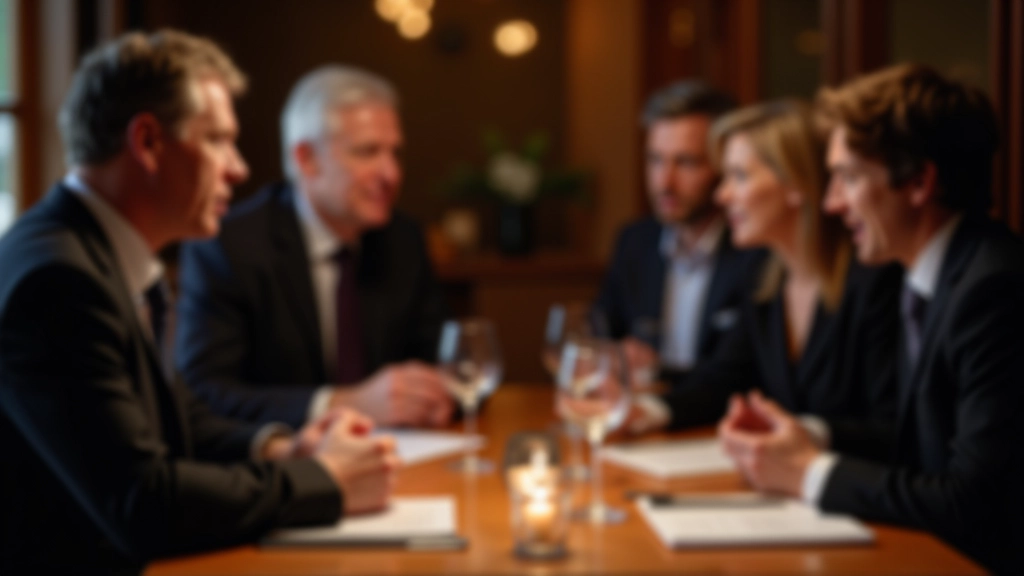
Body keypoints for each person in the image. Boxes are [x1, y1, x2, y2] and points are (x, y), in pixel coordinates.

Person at [0, 31, 398, 574]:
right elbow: (142, 503)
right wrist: (324, 480)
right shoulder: (58, 281)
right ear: (147, 142)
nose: (238, 168)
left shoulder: (99, 251)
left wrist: (281, 450)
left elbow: (175, 417)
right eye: (217, 140)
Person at [718, 64, 1024, 574]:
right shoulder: (930, 278)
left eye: (849, 177)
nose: (832, 203)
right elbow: (908, 445)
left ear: (920, 181)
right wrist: (803, 439)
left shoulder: (993, 289)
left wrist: (808, 473)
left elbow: (972, 503)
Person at [175, 65, 452, 430]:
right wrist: (343, 403)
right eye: (368, 152)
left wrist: (437, 395)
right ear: (306, 159)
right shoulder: (229, 246)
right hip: (283, 456)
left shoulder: (403, 240)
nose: (391, 173)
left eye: (394, 153)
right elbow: (204, 393)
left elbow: (449, 363)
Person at [629, 100, 900, 443]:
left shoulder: (875, 281)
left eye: (739, 176)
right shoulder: (763, 278)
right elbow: (723, 380)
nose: (722, 195)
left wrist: (803, 434)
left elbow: (895, 431)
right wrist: (643, 411)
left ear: (796, 183)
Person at [592, 80, 764, 387]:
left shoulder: (756, 250)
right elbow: (599, 330)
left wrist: (658, 372)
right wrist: (612, 354)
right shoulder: (635, 241)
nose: (664, 182)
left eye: (686, 162)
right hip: (637, 411)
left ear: (724, 165)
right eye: (655, 159)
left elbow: (739, 377)